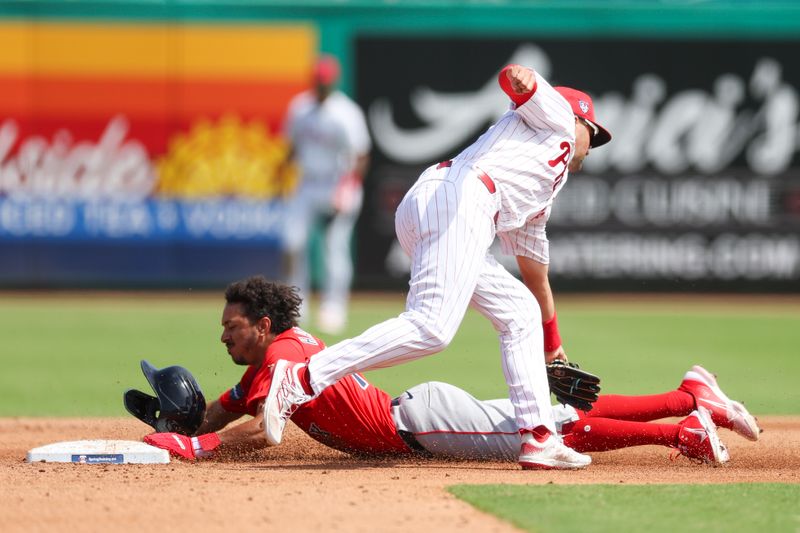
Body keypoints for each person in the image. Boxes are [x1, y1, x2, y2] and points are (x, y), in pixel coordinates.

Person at [263, 63, 613, 470]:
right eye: (594, 131)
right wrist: (522, 79)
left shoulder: (541, 188)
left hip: (443, 203)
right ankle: (302, 378)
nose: (595, 142)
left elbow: (535, 274)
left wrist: (552, 346)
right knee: (431, 327)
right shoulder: (557, 121)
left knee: (520, 313)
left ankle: (538, 438)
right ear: (576, 120)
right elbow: (522, 84)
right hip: (462, 198)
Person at [142, 276, 760, 467]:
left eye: (232, 327)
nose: (223, 335)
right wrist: (193, 417)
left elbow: (255, 428)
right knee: (552, 417)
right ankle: (687, 396)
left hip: (420, 426)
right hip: (417, 414)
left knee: (545, 432)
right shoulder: (277, 359)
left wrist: (195, 445)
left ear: (264, 326)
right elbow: (234, 406)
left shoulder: (280, 361)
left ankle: (681, 426)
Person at [280, 54, 371, 335]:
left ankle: (334, 306)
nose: (321, 86)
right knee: (291, 242)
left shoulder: (346, 113)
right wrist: (280, 172)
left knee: (334, 248)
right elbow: (292, 146)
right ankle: (297, 303)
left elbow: (361, 155)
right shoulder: (300, 108)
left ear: (333, 83)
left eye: (325, 82)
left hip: (337, 185)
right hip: (308, 185)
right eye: (318, 81)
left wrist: (349, 187)